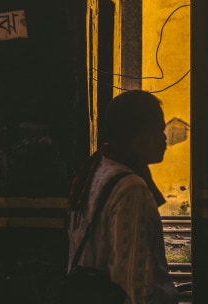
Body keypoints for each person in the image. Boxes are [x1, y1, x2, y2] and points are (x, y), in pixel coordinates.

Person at [65, 90, 178, 304]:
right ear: (140, 135)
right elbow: (136, 285)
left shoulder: (96, 170)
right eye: (159, 130)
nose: (164, 138)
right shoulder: (132, 189)